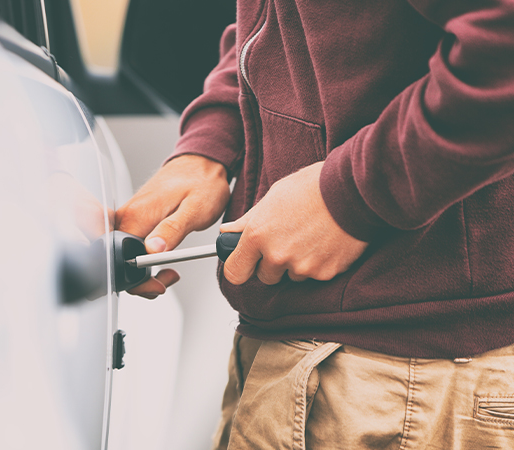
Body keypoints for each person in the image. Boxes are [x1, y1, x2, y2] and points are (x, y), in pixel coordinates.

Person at [115, 0, 514, 448]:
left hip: (400, 378)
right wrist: (211, 142)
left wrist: (351, 196)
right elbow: (278, 25)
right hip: (328, 364)